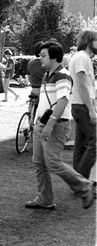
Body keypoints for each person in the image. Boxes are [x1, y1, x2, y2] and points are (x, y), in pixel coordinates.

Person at [25, 40, 94, 210]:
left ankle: (84, 186)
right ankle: (45, 199)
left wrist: (49, 124)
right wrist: (37, 123)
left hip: (56, 125)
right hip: (42, 123)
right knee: (39, 163)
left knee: (53, 162)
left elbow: (63, 100)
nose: (40, 59)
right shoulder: (47, 75)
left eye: (43, 56)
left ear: (54, 58)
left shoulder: (62, 75)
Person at [68, 30, 96, 186]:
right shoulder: (81, 58)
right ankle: (81, 183)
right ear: (89, 41)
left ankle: (77, 182)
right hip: (82, 106)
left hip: (81, 105)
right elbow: (82, 85)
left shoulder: (83, 58)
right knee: (95, 143)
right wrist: (91, 109)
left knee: (81, 145)